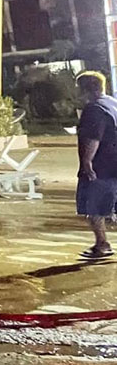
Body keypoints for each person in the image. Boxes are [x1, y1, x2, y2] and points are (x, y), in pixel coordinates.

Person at [74, 71, 117, 260]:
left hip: (102, 166)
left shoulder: (93, 109)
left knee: (94, 206)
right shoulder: (112, 104)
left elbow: (93, 138)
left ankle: (102, 244)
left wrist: (86, 163)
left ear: (86, 89)